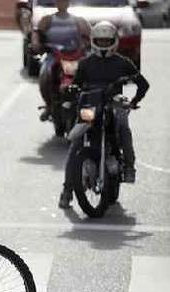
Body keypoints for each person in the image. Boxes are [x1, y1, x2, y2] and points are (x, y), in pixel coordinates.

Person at [59, 21, 149, 209]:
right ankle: (67, 191)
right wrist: (70, 91)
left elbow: (143, 83)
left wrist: (133, 102)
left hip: (113, 104)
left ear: (114, 41)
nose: (102, 43)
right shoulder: (85, 63)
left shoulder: (122, 62)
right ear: (92, 41)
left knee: (123, 128)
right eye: (99, 40)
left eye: (106, 40)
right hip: (90, 106)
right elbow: (76, 83)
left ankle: (129, 167)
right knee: (75, 143)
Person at [32, 0, 91, 121]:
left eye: (66, 0)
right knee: (45, 75)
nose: (63, 3)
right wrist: (36, 43)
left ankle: (87, 104)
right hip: (54, 55)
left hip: (76, 55)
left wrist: (88, 42)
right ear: (56, 2)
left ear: (69, 2)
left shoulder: (78, 20)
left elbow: (89, 34)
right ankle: (49, 106)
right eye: (60, 0)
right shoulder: (47, 19)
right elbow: (37, 33)